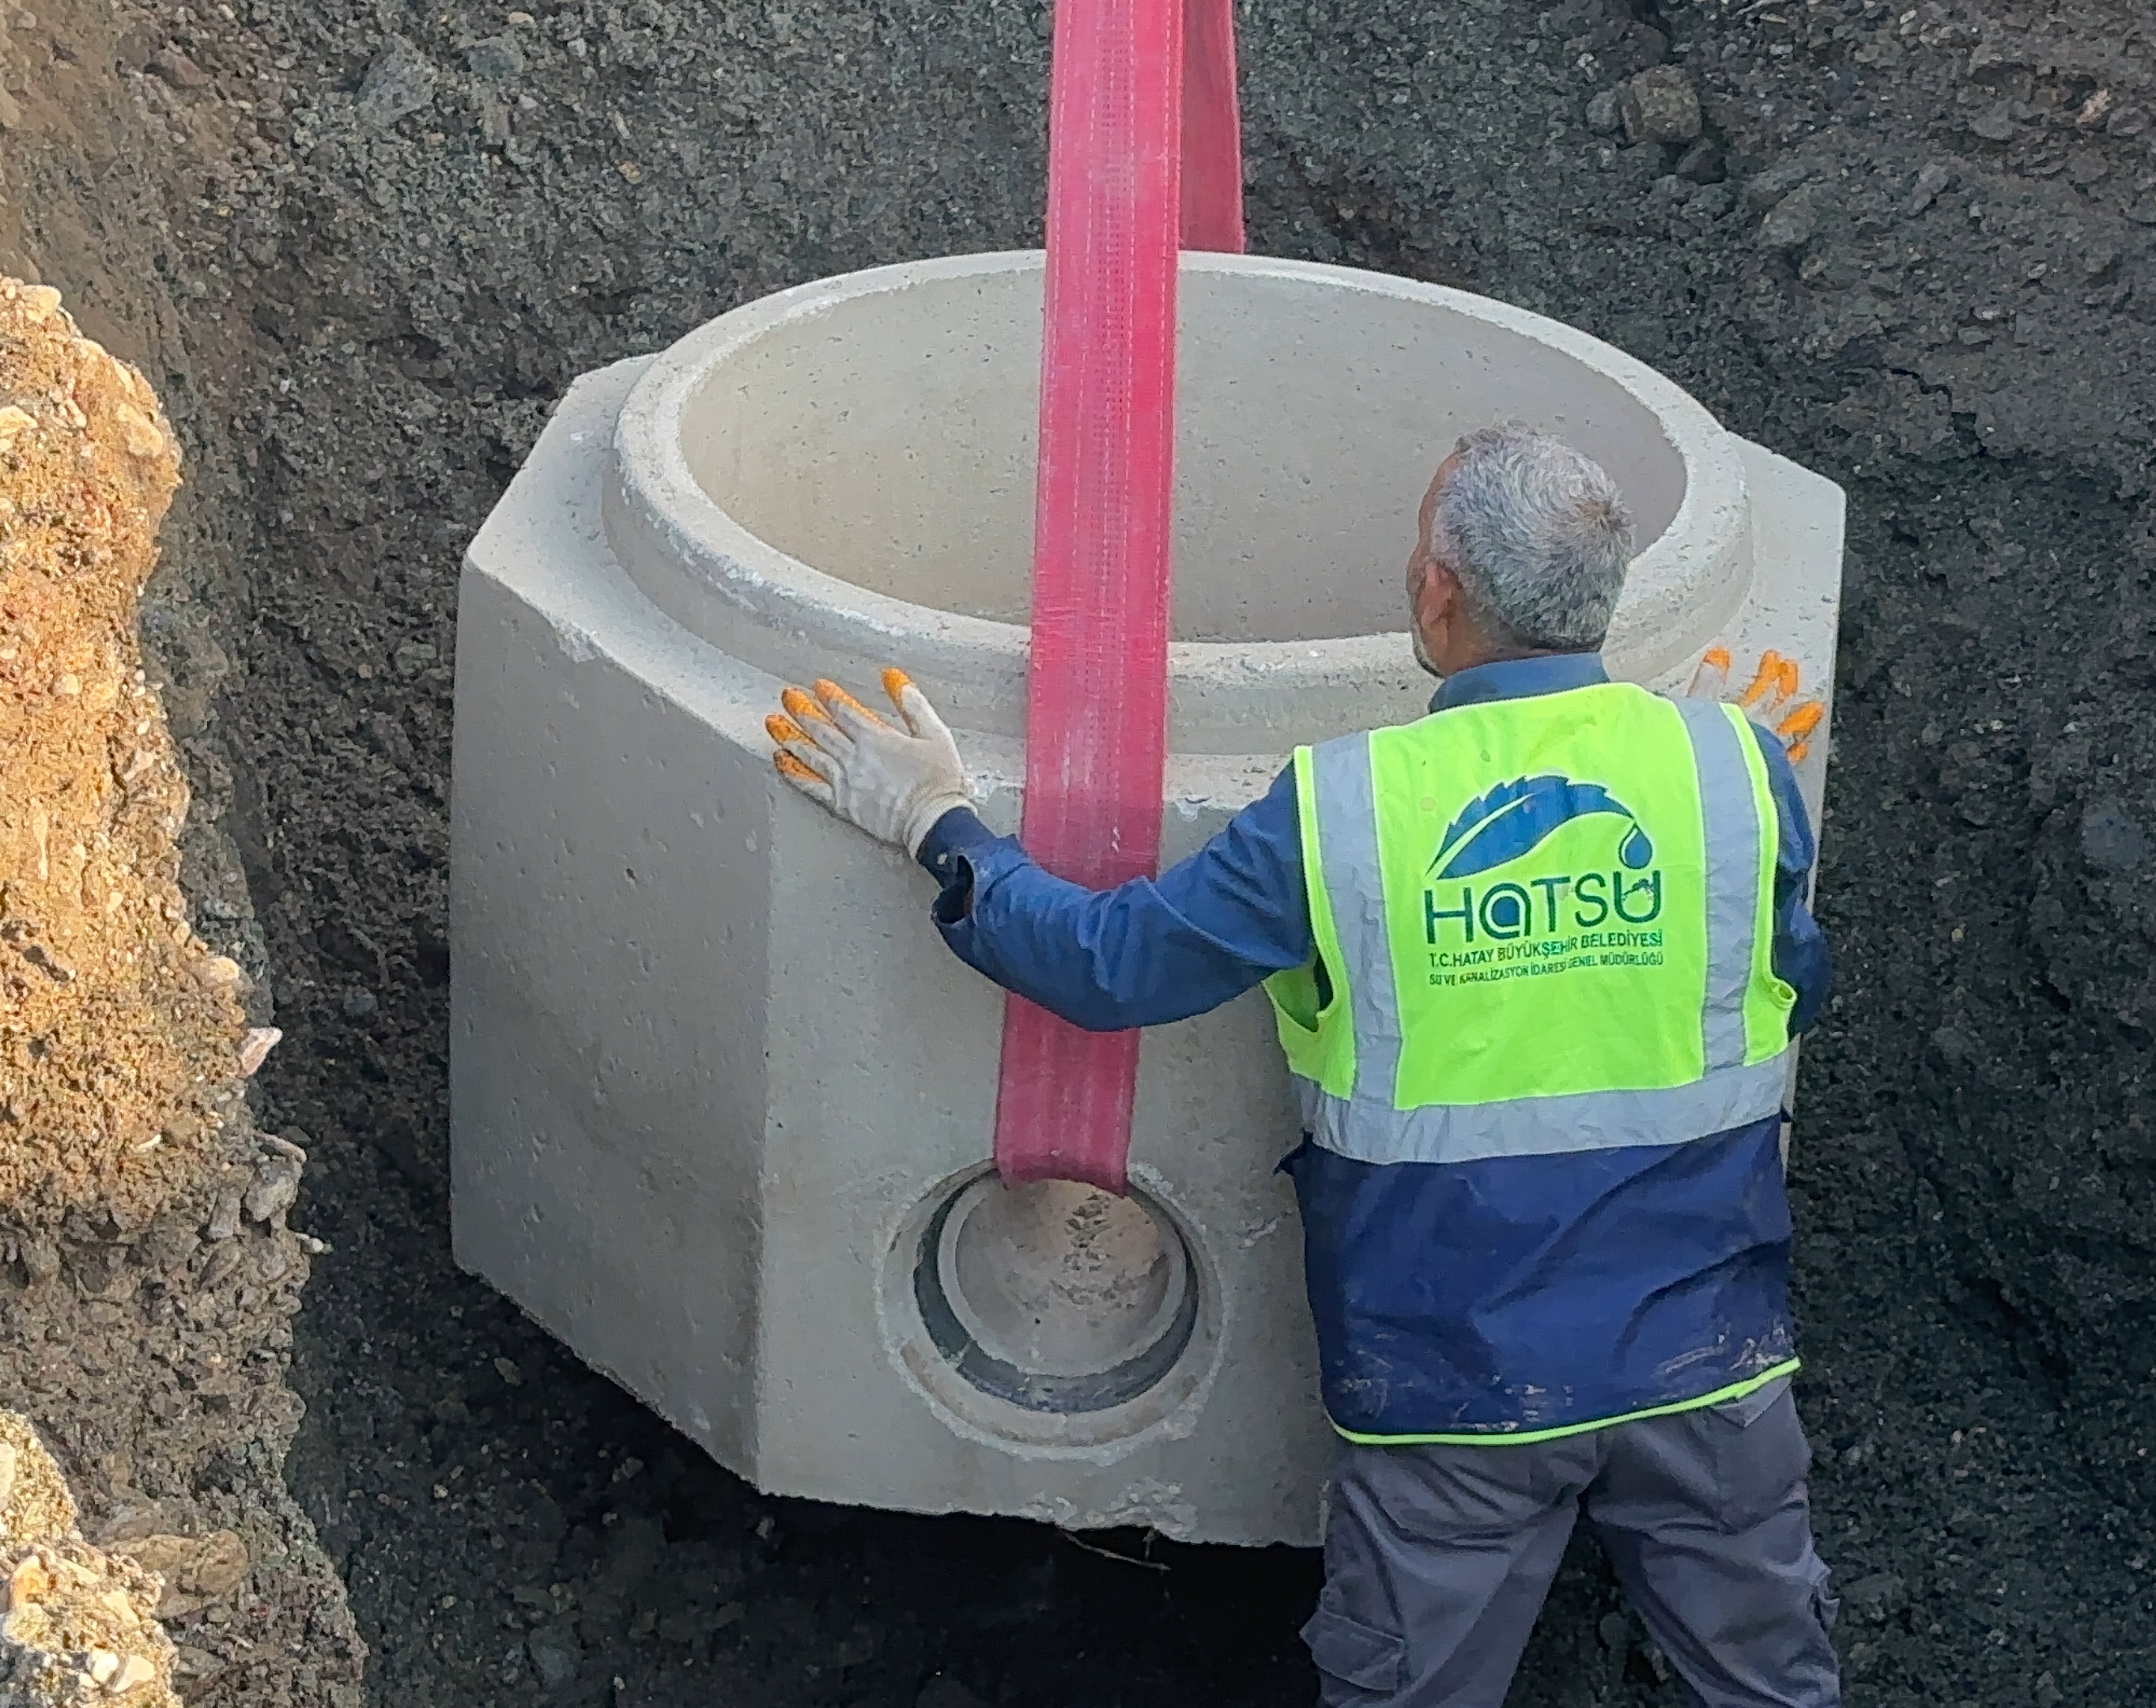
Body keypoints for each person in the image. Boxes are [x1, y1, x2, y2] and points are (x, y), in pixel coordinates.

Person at [765, 425, 1839, 1708]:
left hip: (1459, 1391)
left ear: (1438, 588)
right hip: (1707, 1365)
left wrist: (935, 822)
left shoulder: (1346, 814)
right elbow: (1790, 992)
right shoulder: (1730, 768)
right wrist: (1734, 795)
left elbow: (1112, 968)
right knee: (1772, 1691)